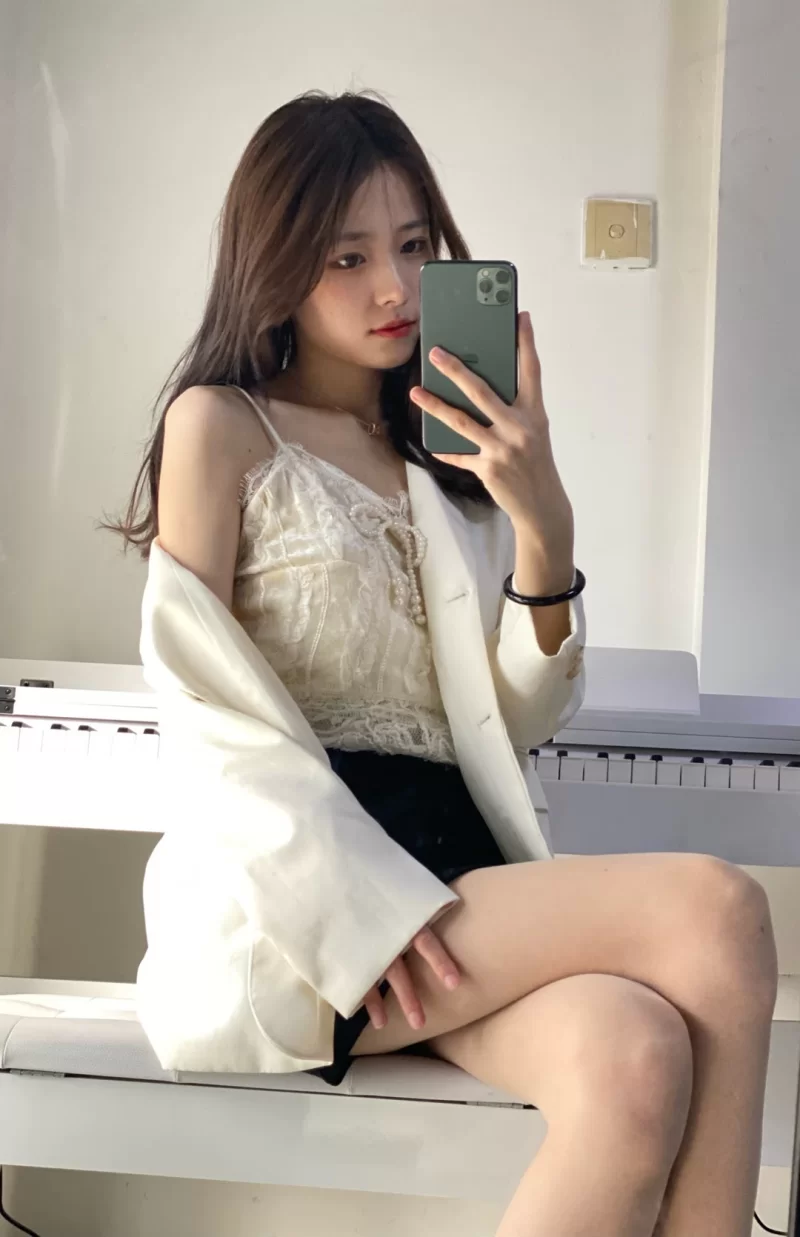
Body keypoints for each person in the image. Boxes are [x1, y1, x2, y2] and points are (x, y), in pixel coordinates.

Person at [104, 90, 779, 1236]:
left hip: (462, 875)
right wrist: (355, 905)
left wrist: (542, 525)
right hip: (309, 894)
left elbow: (511, 720)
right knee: (717, 911)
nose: (395, 288)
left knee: (633, 1055)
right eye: (348, 256)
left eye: (415, 246)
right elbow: (203, 706)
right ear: (275, 262)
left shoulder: (447, 462)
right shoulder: (217, 426)